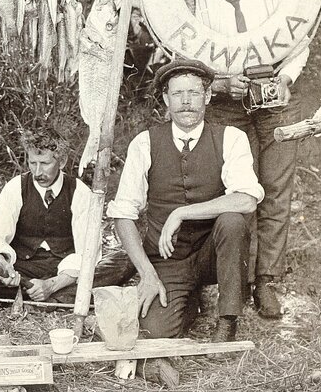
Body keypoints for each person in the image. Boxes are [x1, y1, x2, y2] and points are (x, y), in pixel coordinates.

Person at [108, 59, 264, 349]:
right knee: (155, 333)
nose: (186, 102)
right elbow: (123, 214)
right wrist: (146, 273)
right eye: (177, 94)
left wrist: (182, 212)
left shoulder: (231, 137)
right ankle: (189, 299)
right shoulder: (144, 143)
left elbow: (247, 199)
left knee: (232, 220)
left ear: (206, 96)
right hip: (168, 259)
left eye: (193, 93)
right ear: (166, 99)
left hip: (213, 257)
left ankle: (228, 319)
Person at [194, 0, 304, 318]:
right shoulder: (199, 4)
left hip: (274, 102)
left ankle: (267, 281)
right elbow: (187, 57)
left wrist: (287, 78)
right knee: (240, 190)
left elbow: (299, 39)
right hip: (227, 105)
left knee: (275, 188)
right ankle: (234, 280)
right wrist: (221, 83)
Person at [0, 127, 133, 303]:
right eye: (32, 163)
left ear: (62, 161)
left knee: (124, 260)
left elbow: (88, 252)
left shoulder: (80, 192)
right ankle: (60, 296)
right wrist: (4, 266)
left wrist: (52, 284)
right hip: (24, 268)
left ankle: (48, 294)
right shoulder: (15, 188)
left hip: (66, 270)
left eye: (44, 164)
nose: (37, 172)